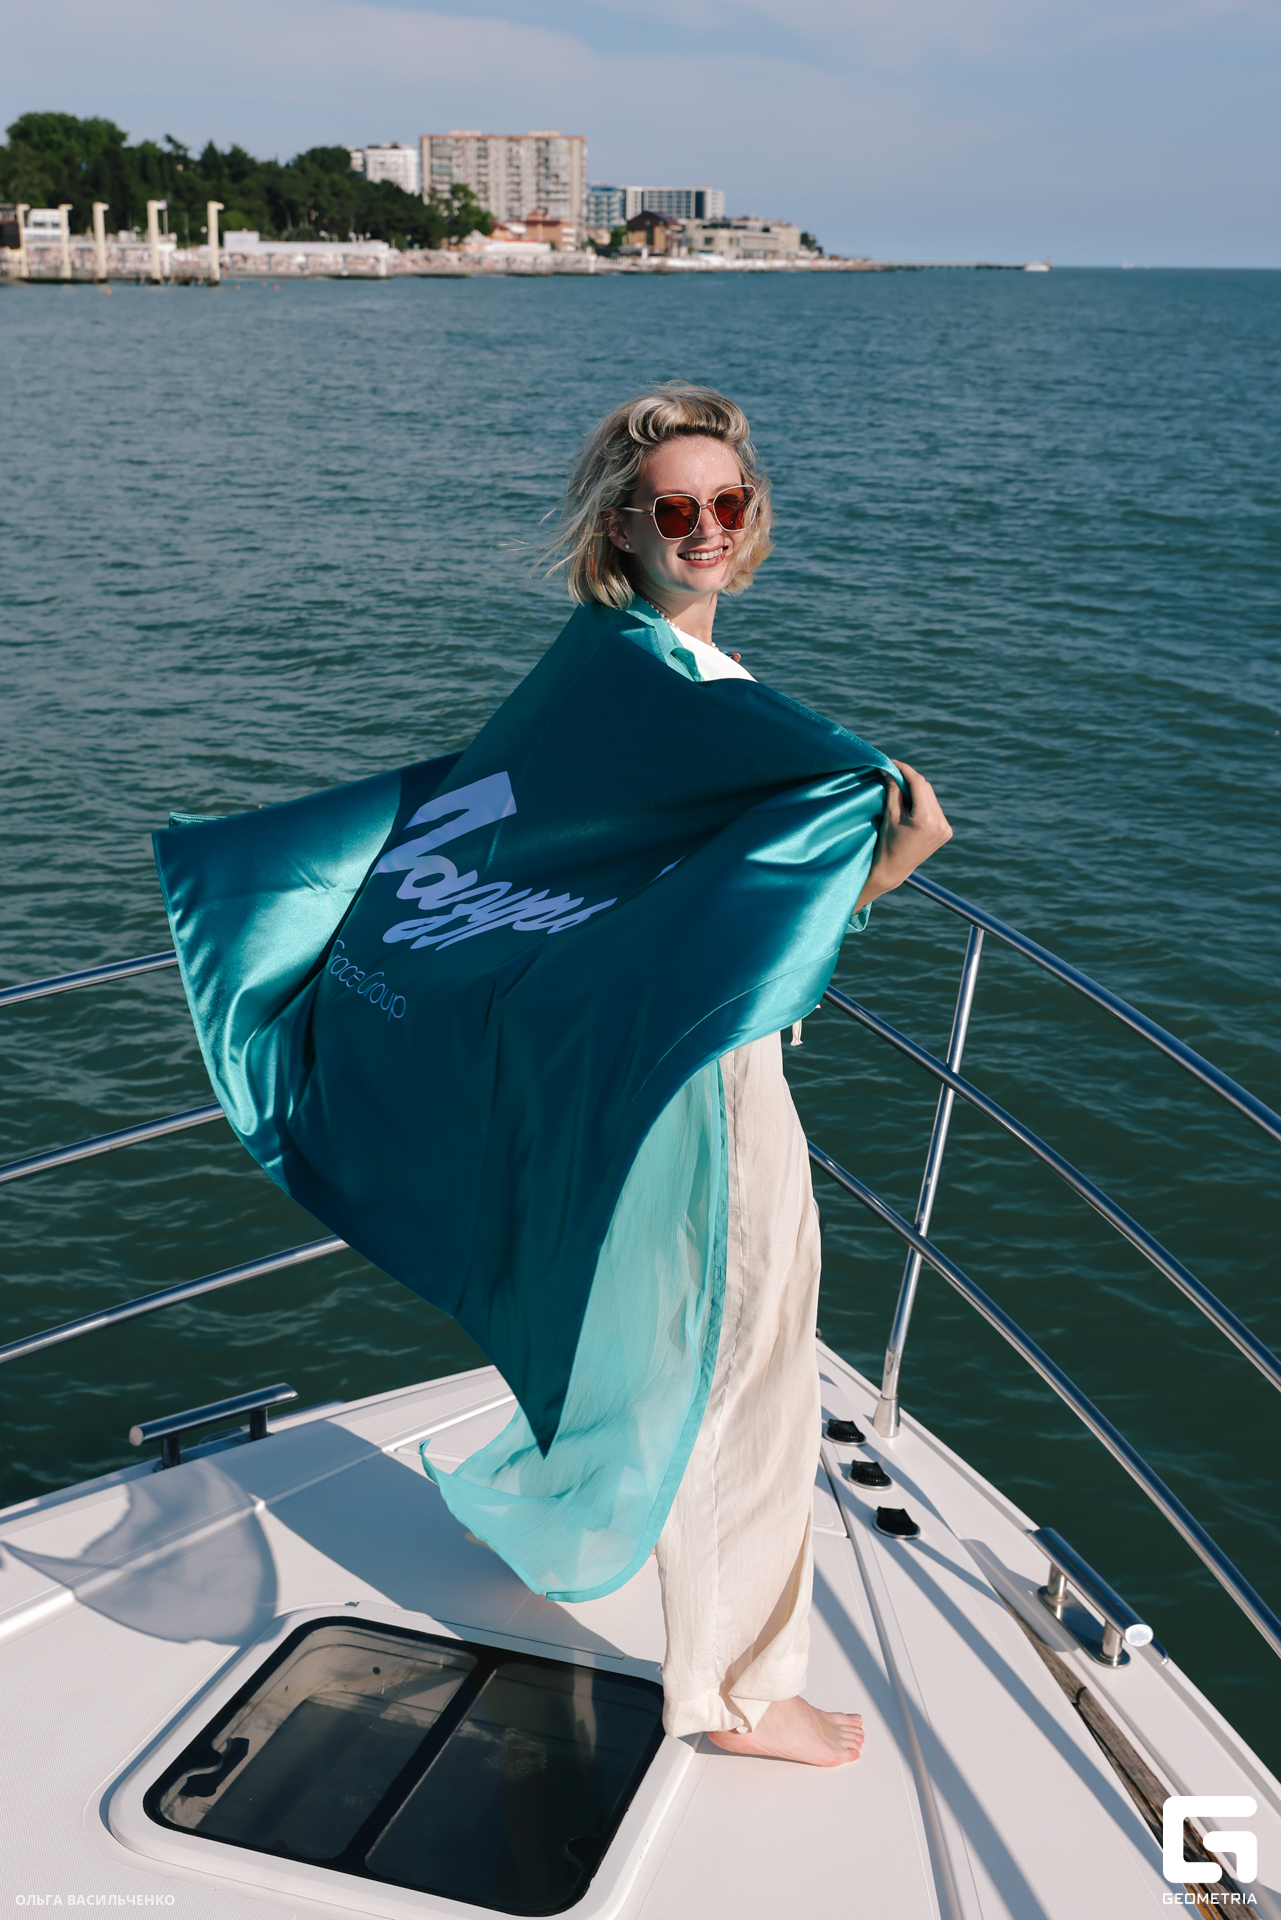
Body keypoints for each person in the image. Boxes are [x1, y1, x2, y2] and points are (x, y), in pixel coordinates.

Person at [543, 383, 953, 1767]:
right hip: (713, 1077)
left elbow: (681, 910)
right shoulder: (690, 700)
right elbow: (722, 936)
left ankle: (576, 1538)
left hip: (662, 1062)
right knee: (748, 1356)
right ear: (623, 526)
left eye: (727, 501)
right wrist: (888, 865)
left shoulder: (615, 670)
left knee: (668, 1335)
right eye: (676, 509)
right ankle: (732, 1691)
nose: (707, 527)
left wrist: (851, 866)